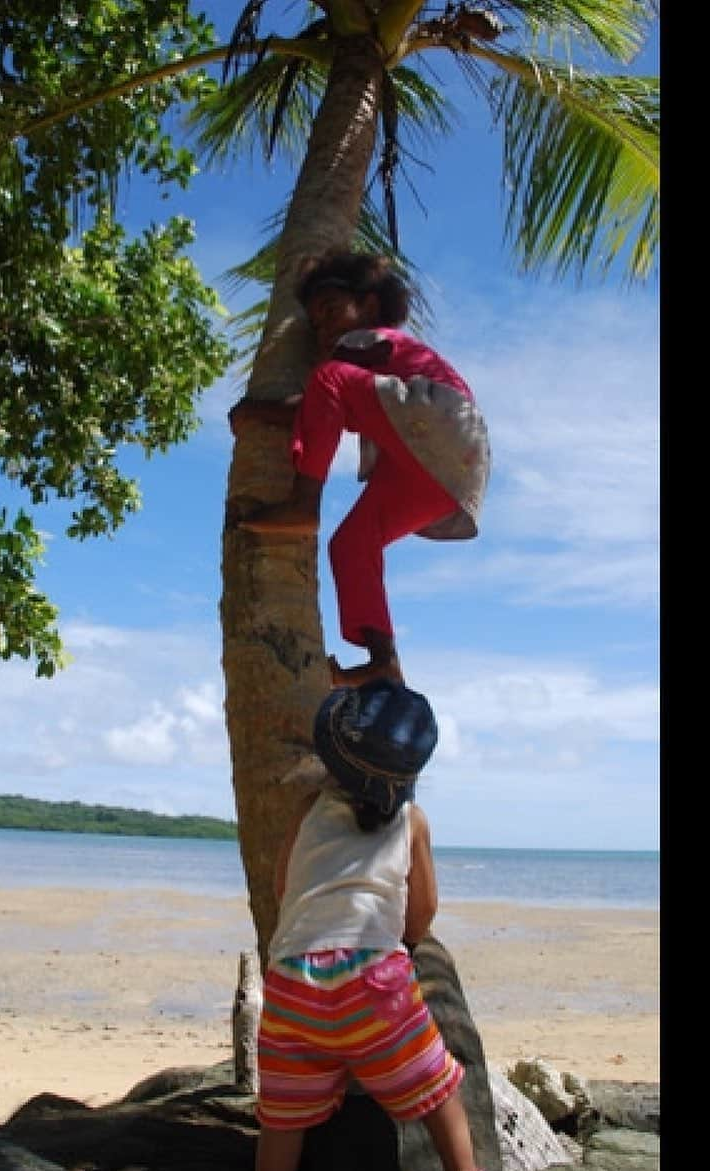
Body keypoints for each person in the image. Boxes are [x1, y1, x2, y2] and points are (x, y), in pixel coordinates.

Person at [232, 251, 490, 688]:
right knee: (351, 544)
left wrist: (260, 411)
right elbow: (323, 412)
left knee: (328, 375)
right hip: (442, 471)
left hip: (445, 426)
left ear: (370, 307)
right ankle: (383, 663)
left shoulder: (371, 340)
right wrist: (271, 414)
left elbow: (324, 391)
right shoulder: (371, 380)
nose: (324, 327)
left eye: (331, 310)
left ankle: (303, 502)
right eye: (316, 324)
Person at [255, 677, 482, 1171]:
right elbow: (422, 912)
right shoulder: (412, 821)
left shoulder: (308, 808)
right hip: (374, 990)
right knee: (442, 1095)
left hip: (295, 985)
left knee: (283, 1120)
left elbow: (282, 888)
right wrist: (406, 939)